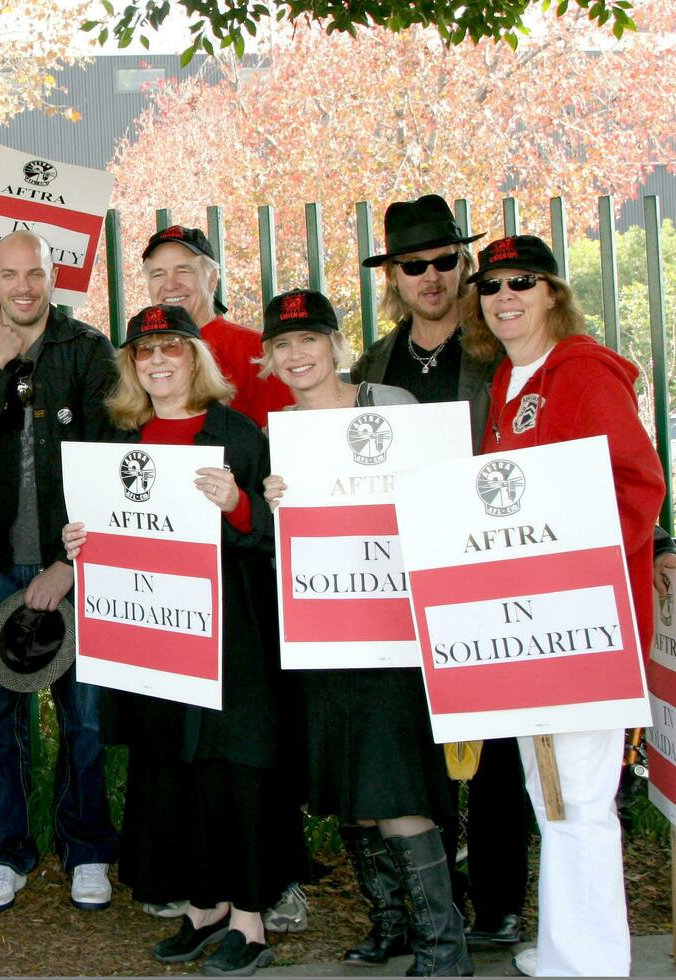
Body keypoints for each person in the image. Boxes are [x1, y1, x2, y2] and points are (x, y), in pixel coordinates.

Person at [60, 304, 289, 977]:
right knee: (171, 768)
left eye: (172, 349)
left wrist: (239, 506)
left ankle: (249, 918)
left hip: (231, 637)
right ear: (130, 366)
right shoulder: (116, 440)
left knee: (231, 769)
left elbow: (278, 540)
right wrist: (78, 544)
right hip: (153, 638)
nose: (158, 362)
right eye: (144, 353)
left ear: (197, 358)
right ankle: (203, 906)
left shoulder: (239, 436)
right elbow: (106, 531)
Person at [461, 235, 666, 978]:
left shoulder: (580, 373)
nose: (504, 296)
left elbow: (636, 485)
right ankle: (565, 950)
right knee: (549, 794)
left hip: (585, 624)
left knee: (579, 796)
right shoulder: (508, 384)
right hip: (531, 629)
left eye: (522, 282)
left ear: (552, 292)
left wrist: (573, 567)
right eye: (491, 286)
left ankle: (590, 964)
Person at [259, 289, 472, 977]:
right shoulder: (279, 435)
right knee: (349, 786)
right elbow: (277, 547)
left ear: (336, 345)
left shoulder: (391, 407)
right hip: (325, 631)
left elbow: (445, 496)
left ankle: (445, 944)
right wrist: (271, 510)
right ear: (271, 357)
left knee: (396, 783)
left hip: (396, 630)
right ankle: (391, 925)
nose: (297, 354)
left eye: (310, 339)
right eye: (284, 344)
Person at [355, 193, 530, 950]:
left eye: (445, 262)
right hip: (396, 575)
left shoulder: (502, 352)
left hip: (483, 563)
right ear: (392, 276)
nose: (431, 276)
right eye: (413, 265)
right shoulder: (373, 364)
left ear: (464, 266)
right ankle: (436, 905)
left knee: (492, 747)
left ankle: (497, 905)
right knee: (415, 743)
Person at [0, 229, 120, 913]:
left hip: (68, 566)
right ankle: (5, 852)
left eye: (35, 274)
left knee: (86, 716)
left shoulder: (88, 350)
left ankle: (89, 848)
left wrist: (66, 567)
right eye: (9, 274)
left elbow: (109, 461)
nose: (23, 287)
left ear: (54, 276)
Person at [140, 225, 293, 427]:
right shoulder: (138, 356)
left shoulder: (255, 350)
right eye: (158, 274)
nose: (170, 285)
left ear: (212, 279)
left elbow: (281, 437)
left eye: (183, 271)